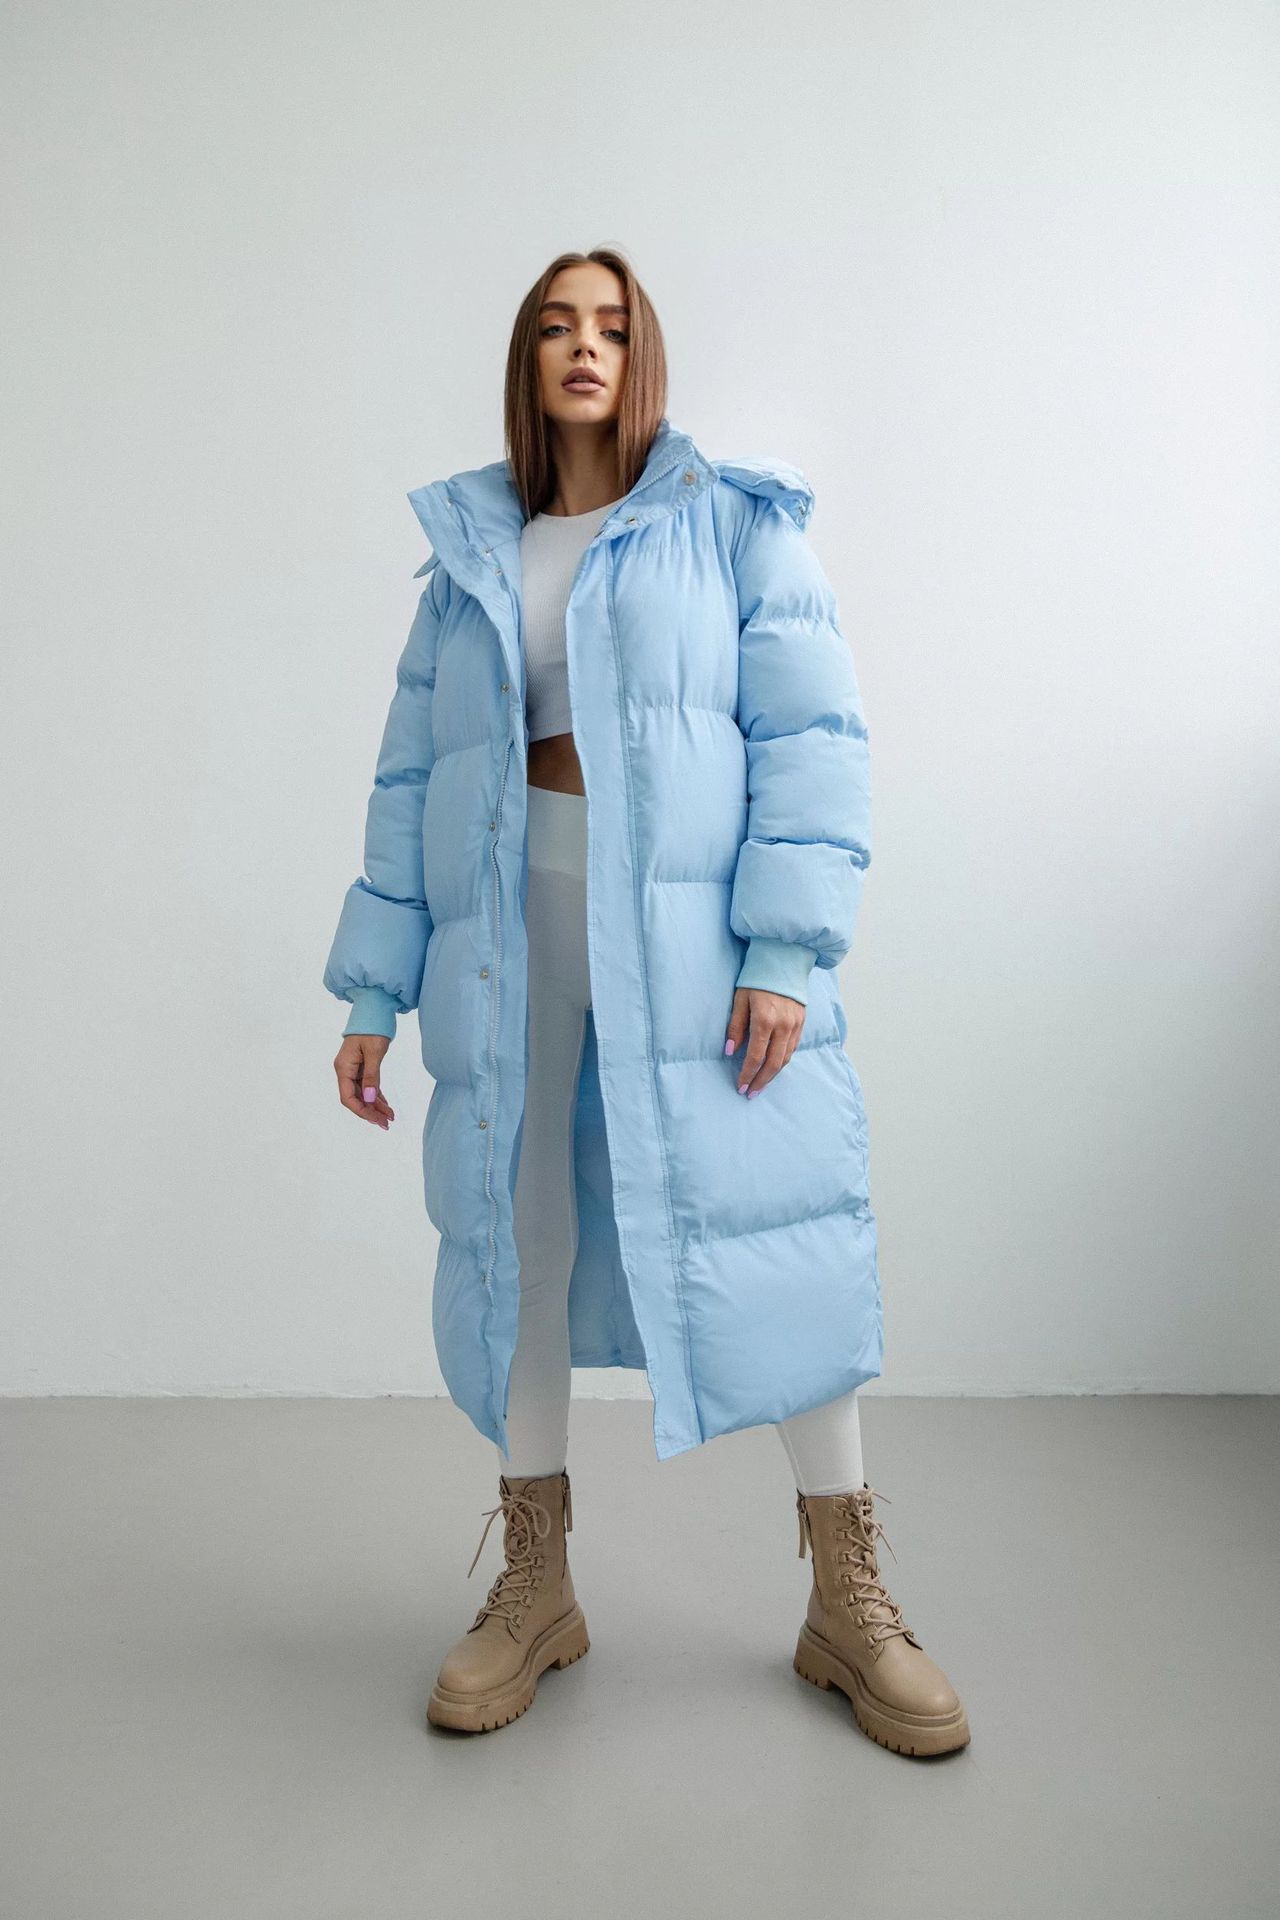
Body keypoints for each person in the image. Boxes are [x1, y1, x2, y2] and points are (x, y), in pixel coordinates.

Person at [324, 247, 969, 1757]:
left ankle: (849, 1598)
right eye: (557, 326)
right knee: (521, 1235)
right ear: (528, 360)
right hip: (511, 931)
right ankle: (535, 1585)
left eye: (611, 326)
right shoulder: (471, 556)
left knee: (774, 1231)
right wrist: (372, 984)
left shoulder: (732, 524)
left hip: (688, 942)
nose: (585, 347)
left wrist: (783, 953)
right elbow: (412, 778)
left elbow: (811, 739)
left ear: (643, 355)